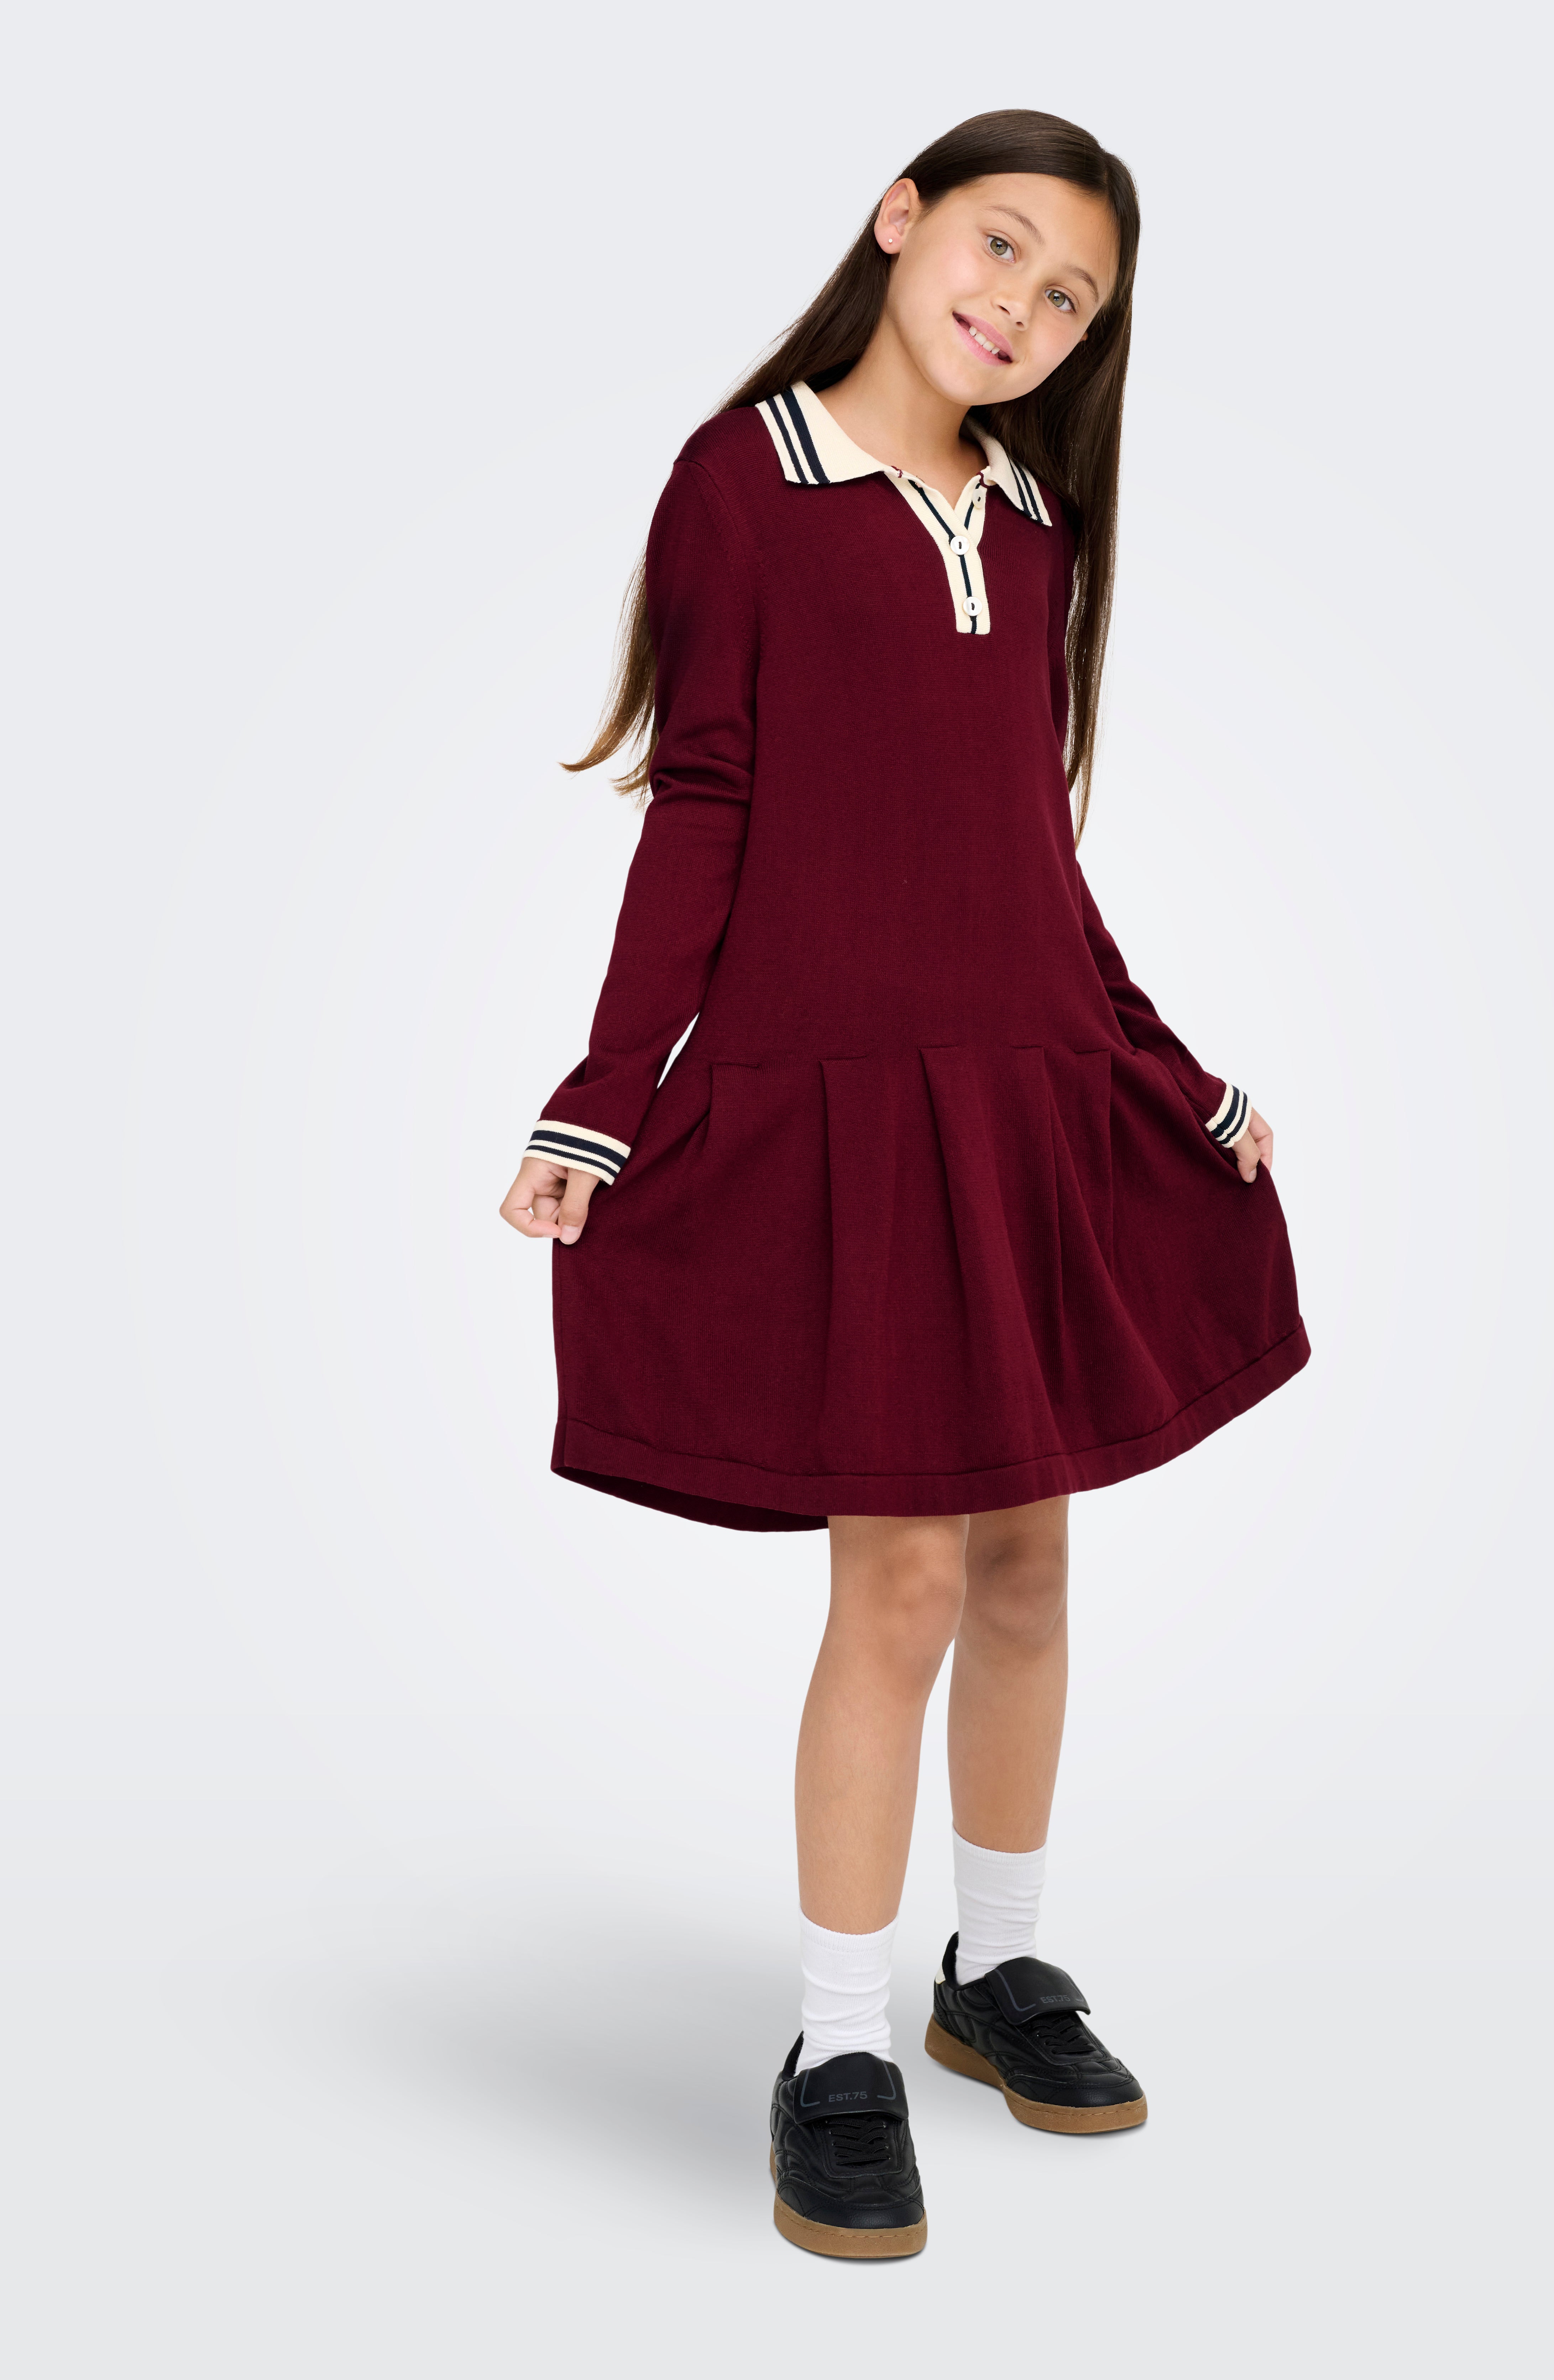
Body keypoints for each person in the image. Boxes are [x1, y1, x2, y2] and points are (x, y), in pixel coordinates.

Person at [499, 110, 1308, 2259]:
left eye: (1072, 298)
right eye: (1002, 248)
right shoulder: (743, 483)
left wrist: (1171, 1074)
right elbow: (707, 800)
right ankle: (839, 2046)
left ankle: (997, 1969)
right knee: (902, 1586)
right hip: (855, 1108)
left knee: (1030, 1563)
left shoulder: (1035, 526)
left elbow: (1032, 855)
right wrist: (601, 1098)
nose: (1022, 309)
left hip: (1030, 1096)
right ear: (901, 218)